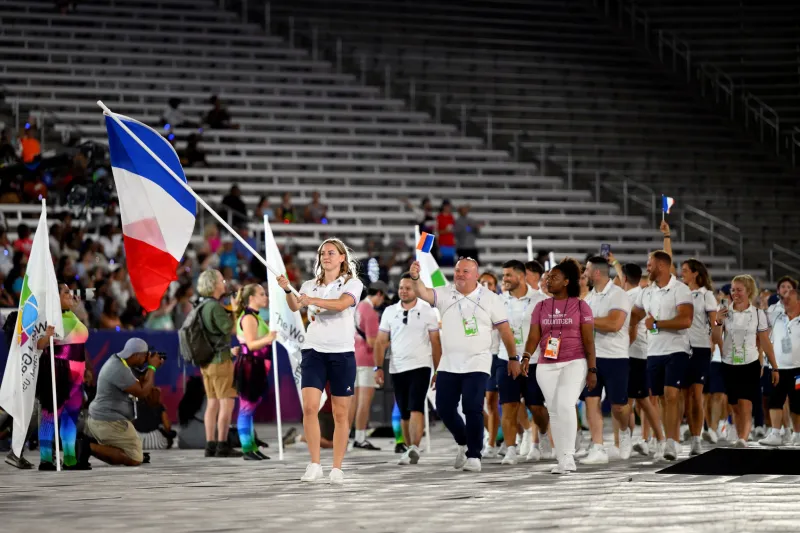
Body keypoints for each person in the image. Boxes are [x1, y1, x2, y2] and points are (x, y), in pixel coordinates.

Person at [408, 257, 515, 473]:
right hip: (448, 363)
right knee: (445, 408)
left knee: (472, 406)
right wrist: (416, 277)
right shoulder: (445, 293)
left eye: (465, 271)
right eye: (457, 271)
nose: (460, 275)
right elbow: (423, 292)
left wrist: (513, 357)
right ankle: (463, 441)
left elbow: (505, 330)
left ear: (476, 275)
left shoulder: (491, 299)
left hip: (478, 361)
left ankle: (474, 455)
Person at [277, 238, 363, 484]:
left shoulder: (352, 283)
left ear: (342, 257)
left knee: (340, 413)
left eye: (331, 253)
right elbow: (295, 306)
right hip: (313, 351)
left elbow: (341, 305)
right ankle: (314, 464)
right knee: (310, 408)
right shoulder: (308, 284)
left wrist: (311, 301)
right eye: (323, 253)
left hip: (342, 353)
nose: (326, 256)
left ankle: (337, 467)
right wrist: (286, 289)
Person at [522, 260, 597, 474]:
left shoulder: (581, 306)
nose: (547, 280)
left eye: (553, 277)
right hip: (546, 364)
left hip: (575, 361)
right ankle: (562, 457)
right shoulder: (541, 306)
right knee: (554, 411)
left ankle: (568, 456)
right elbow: (534, 335)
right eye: (547, 277)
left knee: (565, 405)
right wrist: (526, 356)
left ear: (566, 282)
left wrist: (592, 369)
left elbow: (589, 341)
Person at [630, 250, 693, 461]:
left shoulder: (681, 289)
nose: (647, 268)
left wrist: (657, 324)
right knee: (659, 399)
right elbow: (634, 316)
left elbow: (685, 320)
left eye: (650, 264)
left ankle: (672, 443)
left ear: (662, 267)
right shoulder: (646, 292)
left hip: (677, 349)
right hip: (653, 351)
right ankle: (666, 439)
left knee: (671, 395)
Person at [374, 273, 441, 465]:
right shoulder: (389, 312)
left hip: (420, 365)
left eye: (408, 288)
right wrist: (377, 367)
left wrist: (438, 370)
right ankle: (409, 448)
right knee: (404, 411)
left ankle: (414, 447)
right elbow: (380, 342)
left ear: (416, 290)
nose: (403, 291)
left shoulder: (427, 311)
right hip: (397, 367)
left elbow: (436, 343)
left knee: (416, 407)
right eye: (401, 287)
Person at [712, 275, 779, 448]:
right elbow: (716, 338)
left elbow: (765, 341)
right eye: (733, 290)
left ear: (748, 291)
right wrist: (717, 322)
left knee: (746, 402)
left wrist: (774, 366)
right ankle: (740, 433)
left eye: (739, 290)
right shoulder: (724, 311)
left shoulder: (758, 314)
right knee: (734, 404)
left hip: (750, 363)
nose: (735, 293)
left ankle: (743, 437)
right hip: (729, 363)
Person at [35, 283, 92, 470]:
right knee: (50, 415)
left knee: (70, 417)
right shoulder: (49, 318)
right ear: (54, 296)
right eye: (66, 292)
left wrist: (75, 310)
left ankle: (69, 459)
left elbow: (82, 337)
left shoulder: (70, 315)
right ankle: (45, 459)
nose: (70, 295)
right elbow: (39, 344)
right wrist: (47, 336)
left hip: (76, 375)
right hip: (58, 372)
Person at [581, 256, 633, 464]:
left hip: (616, 356)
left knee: (618, 406)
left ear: (596, 273)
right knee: (591, 400)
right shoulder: (588, 299)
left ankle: (625, 430)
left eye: (586, 270)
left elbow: (614, 324)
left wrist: (586, 321)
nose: (584, 274)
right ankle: (598, 447)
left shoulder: (619, 295)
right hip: (592, 358)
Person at [496, 260, 548, 465]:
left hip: (534, 361)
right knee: (508, 406)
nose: (505, 280)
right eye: (504, 276)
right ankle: (511, 449)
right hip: (506, 359)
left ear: (521, 276)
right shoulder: (499, 302)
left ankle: (542, 435)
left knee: (536, 407)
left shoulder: (540, 300)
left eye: (508, 275)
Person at [86, 338, 164, 466]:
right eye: (145, 355)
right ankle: (88, 446)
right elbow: (143, 391)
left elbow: (142, 380)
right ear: (135, 355)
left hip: (104, 420)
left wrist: (151, 367)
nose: (146, 358)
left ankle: (88, 443)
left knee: (127, 452)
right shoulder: (118, 368)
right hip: (108, 421)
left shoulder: (122, 363)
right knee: (134, 458)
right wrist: (152, 367)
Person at [620, 263, 666, 457]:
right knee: (638, 401)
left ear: (623, 278)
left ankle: (652, 440)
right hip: (643, 352)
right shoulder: (643, 294)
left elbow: (632, 325)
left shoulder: (632, 297)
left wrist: (625, 345)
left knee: (639, 401)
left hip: (634, 354)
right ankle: (642, 441)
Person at [196, 269, 242, 458]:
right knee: (226, 404)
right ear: (214, 284)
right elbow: (231, 329)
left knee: (212, 403)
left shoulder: (201, 306)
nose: (224, 282)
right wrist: (237, 309)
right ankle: (222, 444)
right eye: (221, 280)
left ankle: (210, 444)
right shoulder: (214, 307)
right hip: (220, 361)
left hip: (206, 361)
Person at [234, 283, 278, 460]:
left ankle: (251, 446)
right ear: (251, 298)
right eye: (261, 294)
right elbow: (251, 344)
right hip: (250, 365)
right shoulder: (249, 318)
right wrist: (269, 337)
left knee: (249, 408)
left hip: (256, 364)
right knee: (246, 408)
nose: (265, 297)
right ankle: (247, 448)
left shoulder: (255, 317)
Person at [679, 258, 718, 455]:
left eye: (685, 270)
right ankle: (693, 434)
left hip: (701, 348)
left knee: (697, 395)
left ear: (695, 273)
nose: (681, 273)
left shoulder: (706, 295)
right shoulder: (680, 292)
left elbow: (714, 322)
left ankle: (697, 438)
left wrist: (714, 341)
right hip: (682, 348)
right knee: (686, 396)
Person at [760, 289, 800, 446]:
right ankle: (775, 433)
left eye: (790, 298)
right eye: (784, 298)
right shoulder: (776, 316)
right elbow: (758, 318)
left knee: (797, 403)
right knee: (775, 400)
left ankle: (798, 434)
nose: (785, 300)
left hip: (798, 369)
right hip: (778, 368)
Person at [351, 281, 388, 450]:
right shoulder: (371, 313)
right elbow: (373, 342)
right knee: (364, 403)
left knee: (354, 402)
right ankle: (360, 438)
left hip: (353, 358)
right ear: (379, 294)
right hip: (366, 360)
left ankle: (345, 436)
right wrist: (390, 342)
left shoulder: (357, 308)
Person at [479, 271, 503, 458]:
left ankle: (492, 443)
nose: (486, 286)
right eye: (483, 282)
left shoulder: (501, 303)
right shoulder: (471, 305)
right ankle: (496, 435)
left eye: (490, 283)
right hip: (477, 357)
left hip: (496, 357)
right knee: (476, 404)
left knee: (492, 402)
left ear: (496, 286)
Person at [436, 200, 456, 266]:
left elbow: (454, 230)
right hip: (442, 244)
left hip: (451, 244)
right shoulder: (439, 217)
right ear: (443, 207)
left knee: (450, 264)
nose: (448, 208)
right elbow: (436, 231)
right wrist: (445, 231)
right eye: (447, 206)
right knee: (442, 264)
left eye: (449, 207)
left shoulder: (451, 217)